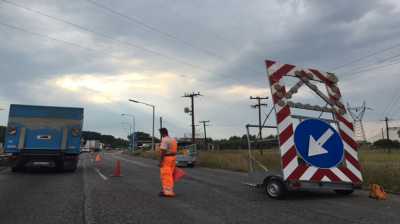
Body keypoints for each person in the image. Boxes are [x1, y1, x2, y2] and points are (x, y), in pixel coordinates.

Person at [158, 128, 178, 197]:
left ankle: (168, 192)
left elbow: (163, 151)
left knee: (166, 175)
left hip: (167, 159)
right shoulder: (173, 139)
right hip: (173, 158)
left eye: (160, 133)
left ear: (162, 133)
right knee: (170, 175)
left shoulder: (164, 140)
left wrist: (160, 161)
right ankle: (168, 190)